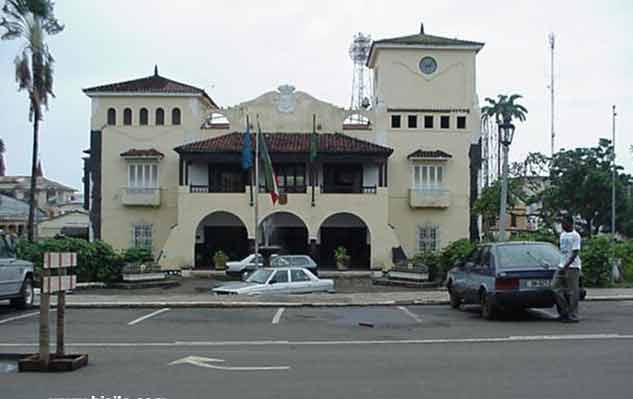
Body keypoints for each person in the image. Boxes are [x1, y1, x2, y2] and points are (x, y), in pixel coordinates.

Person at [552, 216, 582, 323]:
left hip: (573, 267)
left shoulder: (576, 236)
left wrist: (566, 266)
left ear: (570, 223)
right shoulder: (562, 234)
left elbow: (575, 253)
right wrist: (561, 265)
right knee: (554, 287)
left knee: (573, 292)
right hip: (561, 265)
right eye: (561, 224)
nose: (562, 225)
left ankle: (573, 315)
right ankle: (565, 311)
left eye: (564, 223)